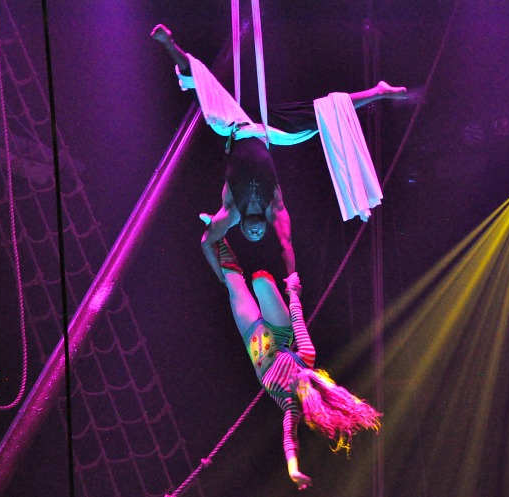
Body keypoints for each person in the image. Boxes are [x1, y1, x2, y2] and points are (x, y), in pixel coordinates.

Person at [150, 24, 407, 278]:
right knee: (325, 112)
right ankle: (379, 92)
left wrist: (223, 279)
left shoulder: (231, 211)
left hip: (234, 126)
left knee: (203, 91)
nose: (255, 233)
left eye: (250, 235)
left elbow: (207, 242)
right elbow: (286, 246)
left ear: (239, 229)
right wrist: (292, 283)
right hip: (268, 130)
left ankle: (170, 45)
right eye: (259, 235)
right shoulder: (274, 208)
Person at [213, 238, 381, 490]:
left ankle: (221, 239)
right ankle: (246, 264)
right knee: (260, 280)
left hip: (253, 337)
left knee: (234, 282)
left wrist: (294, 470)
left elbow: (289, 439)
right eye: (309, 378)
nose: (303, 377)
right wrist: (293, 292)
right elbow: (297, 319)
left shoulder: (289, 403)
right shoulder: (307, 358)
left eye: (304, 385)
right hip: (278, 331)